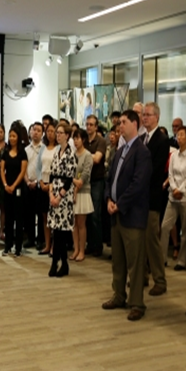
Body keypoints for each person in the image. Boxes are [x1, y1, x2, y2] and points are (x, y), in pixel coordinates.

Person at [101, 110, 152, 320]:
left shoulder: (142, 152)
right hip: (116, 213)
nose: (120, 125)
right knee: (118, 260)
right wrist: (108, 199)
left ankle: (137, 302)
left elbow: (138, 184)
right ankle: (119, 295)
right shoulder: (120, 150)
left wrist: (119, 204)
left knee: (135, 263)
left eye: (123, 122)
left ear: (134, 124)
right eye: (119, 122)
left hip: (132, 215)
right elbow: (109, 179)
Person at [139, 103, 170, 295]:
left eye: (148, 115)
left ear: (157, 117)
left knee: (152, 240)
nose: (145, 118)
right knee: (140, 240)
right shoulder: (142, 138)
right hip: (139, 198)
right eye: (143, 115)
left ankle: (160, 280)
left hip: (151, 196)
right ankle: (142, 276)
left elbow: (156, 169)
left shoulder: (162, 139)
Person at [161, 126, 186, 270]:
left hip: (185, 196)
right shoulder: (174, 155)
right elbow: (170, 174)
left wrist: (180, 190)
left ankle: (182, 261)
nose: (179, 137)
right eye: (178, 135)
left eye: (182, 135)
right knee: (164, 227)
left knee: (185, 231)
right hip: (173, 195)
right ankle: (162, 258)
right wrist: (174, 189)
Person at [48, 123, 77, 276]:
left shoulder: (71, 154)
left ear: (67, 135)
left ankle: (56, 263)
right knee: (55, 230)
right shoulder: (56, 152)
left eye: (60, 133)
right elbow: (51, 175)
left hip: (64, 197)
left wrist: (59, 196)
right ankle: (63, 263)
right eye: (57, 132)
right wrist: (51, 194)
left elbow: (69, 179)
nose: (57, 135)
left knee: (60, 233)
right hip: (54, 193)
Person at [0, 121, 29, 255]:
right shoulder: (5, 152)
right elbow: (2, 170)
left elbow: (23, 172)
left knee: (19, 218)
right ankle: (7, 245)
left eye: (14, 136)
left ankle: (18, 247)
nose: (12, 138)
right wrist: (6, 185)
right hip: (7, 189)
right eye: (10, 136)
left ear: (18, 137)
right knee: (8, 218)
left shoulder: (22, 153)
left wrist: (13, 185)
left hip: (18, 189)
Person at [85, 115, 109, 258]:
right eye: (87, 124)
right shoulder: (84, 140)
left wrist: (84, 155)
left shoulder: (101, 141)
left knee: (95, 214)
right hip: (85, 180)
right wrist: (89, 156)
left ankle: (98, 245)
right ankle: (90, 244)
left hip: (97, 181)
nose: (88, 127)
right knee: (87, 215)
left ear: (96, 126)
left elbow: (97, 159)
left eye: (91, 124)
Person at [71, 127, 94, 261]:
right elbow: (68, 172)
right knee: (73, 223)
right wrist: (73, 182)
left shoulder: (87, 155)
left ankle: (82, 250)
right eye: (74, 138)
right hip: (72, 191)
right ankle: (75, 249)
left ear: (83, 140)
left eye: (78, 138)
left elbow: (84, 175)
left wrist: (75, 183)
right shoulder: (72, 154)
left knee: (81, 224)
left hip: (83, 192)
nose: (75, 141)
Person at [23, 122, 46, 251]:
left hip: (40, 184)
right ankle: (30, 238)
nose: (35, 132)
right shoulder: (26, 149)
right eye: (34, 130)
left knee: (40, 213)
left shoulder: (45, 149)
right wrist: (27, 181)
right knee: (28, 213)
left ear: (42, 133)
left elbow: (44, 169)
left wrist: (37, 182)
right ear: (30, 132)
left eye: (38, 130)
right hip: (28, 183)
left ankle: (40, 240)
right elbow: (23, 168)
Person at [39, 119, 60, 256]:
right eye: (48, 131)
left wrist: (50, 185)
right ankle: (47, 245)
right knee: (45, 216)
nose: (50, 134)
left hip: (54, 186)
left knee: (54, 217)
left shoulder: (59, 149)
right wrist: (41, 182)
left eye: (53, 131)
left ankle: (54, 246)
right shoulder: (42, 148)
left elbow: (58, 169)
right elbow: (38, 167)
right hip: (43, 184)